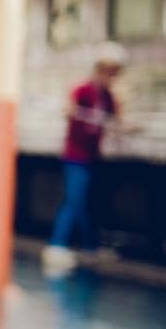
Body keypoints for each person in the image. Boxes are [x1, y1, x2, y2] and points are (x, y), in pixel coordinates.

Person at [42, 42, 127, 277]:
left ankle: (90, 247)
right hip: (75, 156)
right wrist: (83, 114)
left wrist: (124, 126)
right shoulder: (82, 90)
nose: (111, 77)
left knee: (88, 202)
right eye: (109, 71)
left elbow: (117, 119)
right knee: (74, 199)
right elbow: (67, 108)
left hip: (92, 156)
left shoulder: (107, 96)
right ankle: (57, 246)